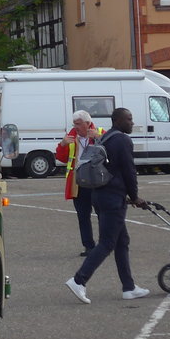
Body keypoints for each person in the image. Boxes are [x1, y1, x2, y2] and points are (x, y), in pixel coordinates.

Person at [65, 107, 150, 304]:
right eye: (128, 119)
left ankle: (128, 287)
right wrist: (135, 196)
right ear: (118, 120)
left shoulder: (107, 137)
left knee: (122, 241)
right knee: (107, 242)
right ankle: (79, 280)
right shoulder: (122, 140)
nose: (132, 122)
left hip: (100, 194)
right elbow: (129, 170)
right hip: (113, 198)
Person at [55, 109, 103, 257]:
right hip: (78, 182)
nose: (76, 127)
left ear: (88, 124)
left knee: (102, 214)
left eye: (79, 124)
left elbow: (111, 151)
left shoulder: (100, 132)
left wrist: (100, 138)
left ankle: (105, 244)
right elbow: (61, 158)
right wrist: (62, 144)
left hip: (96, 181)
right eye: (74, 124)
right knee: (83, 215)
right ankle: (88, 246)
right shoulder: (71, 136)